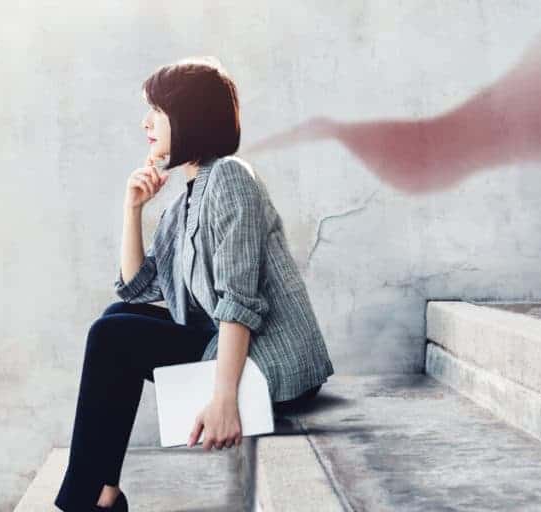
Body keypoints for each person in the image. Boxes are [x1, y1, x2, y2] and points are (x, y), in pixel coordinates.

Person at [54, 56, 336, 512]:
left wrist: (224, 399)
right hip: (226, 343)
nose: (145, 122)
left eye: (157, 112)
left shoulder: (229, 178)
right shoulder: (187, 195)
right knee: (115, 320)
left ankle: (88, 501)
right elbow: (138, 291)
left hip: (274, 363)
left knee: (111, 335)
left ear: (188, 119)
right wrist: (133, 210)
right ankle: (102, 493)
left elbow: (239, 300)